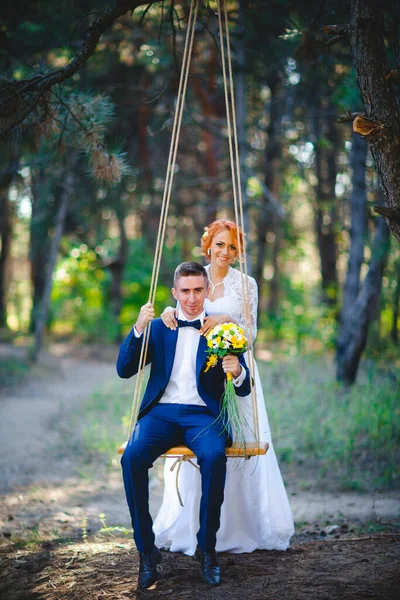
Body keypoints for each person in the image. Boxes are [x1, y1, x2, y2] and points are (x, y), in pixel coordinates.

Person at [154, 219, 294, 554]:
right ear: (208, 246)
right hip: (197, 378)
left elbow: (252, 335)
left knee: (238, 449)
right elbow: (181, 312)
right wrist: (164, 312)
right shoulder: (194, 278)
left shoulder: (246, 284)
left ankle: (239, 527)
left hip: (234, 373)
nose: (226, 252)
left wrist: (227, 321)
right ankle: (193, 527)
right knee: (199, 444)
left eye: (232, 247)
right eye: (220, 244)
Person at [117, 261, 251, 589]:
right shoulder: (161, 326)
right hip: (161, 414)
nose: (192, 298)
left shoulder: (221, 328)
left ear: (206, 292)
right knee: (131, 457)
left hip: (203, 415)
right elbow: (124, 369)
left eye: (198, 290)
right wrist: (138, 327)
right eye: (185, 291)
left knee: (215, 456)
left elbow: (244, 387)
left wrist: (236, 370)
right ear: (175, 293)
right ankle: (147, 552)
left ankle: (208, 549)